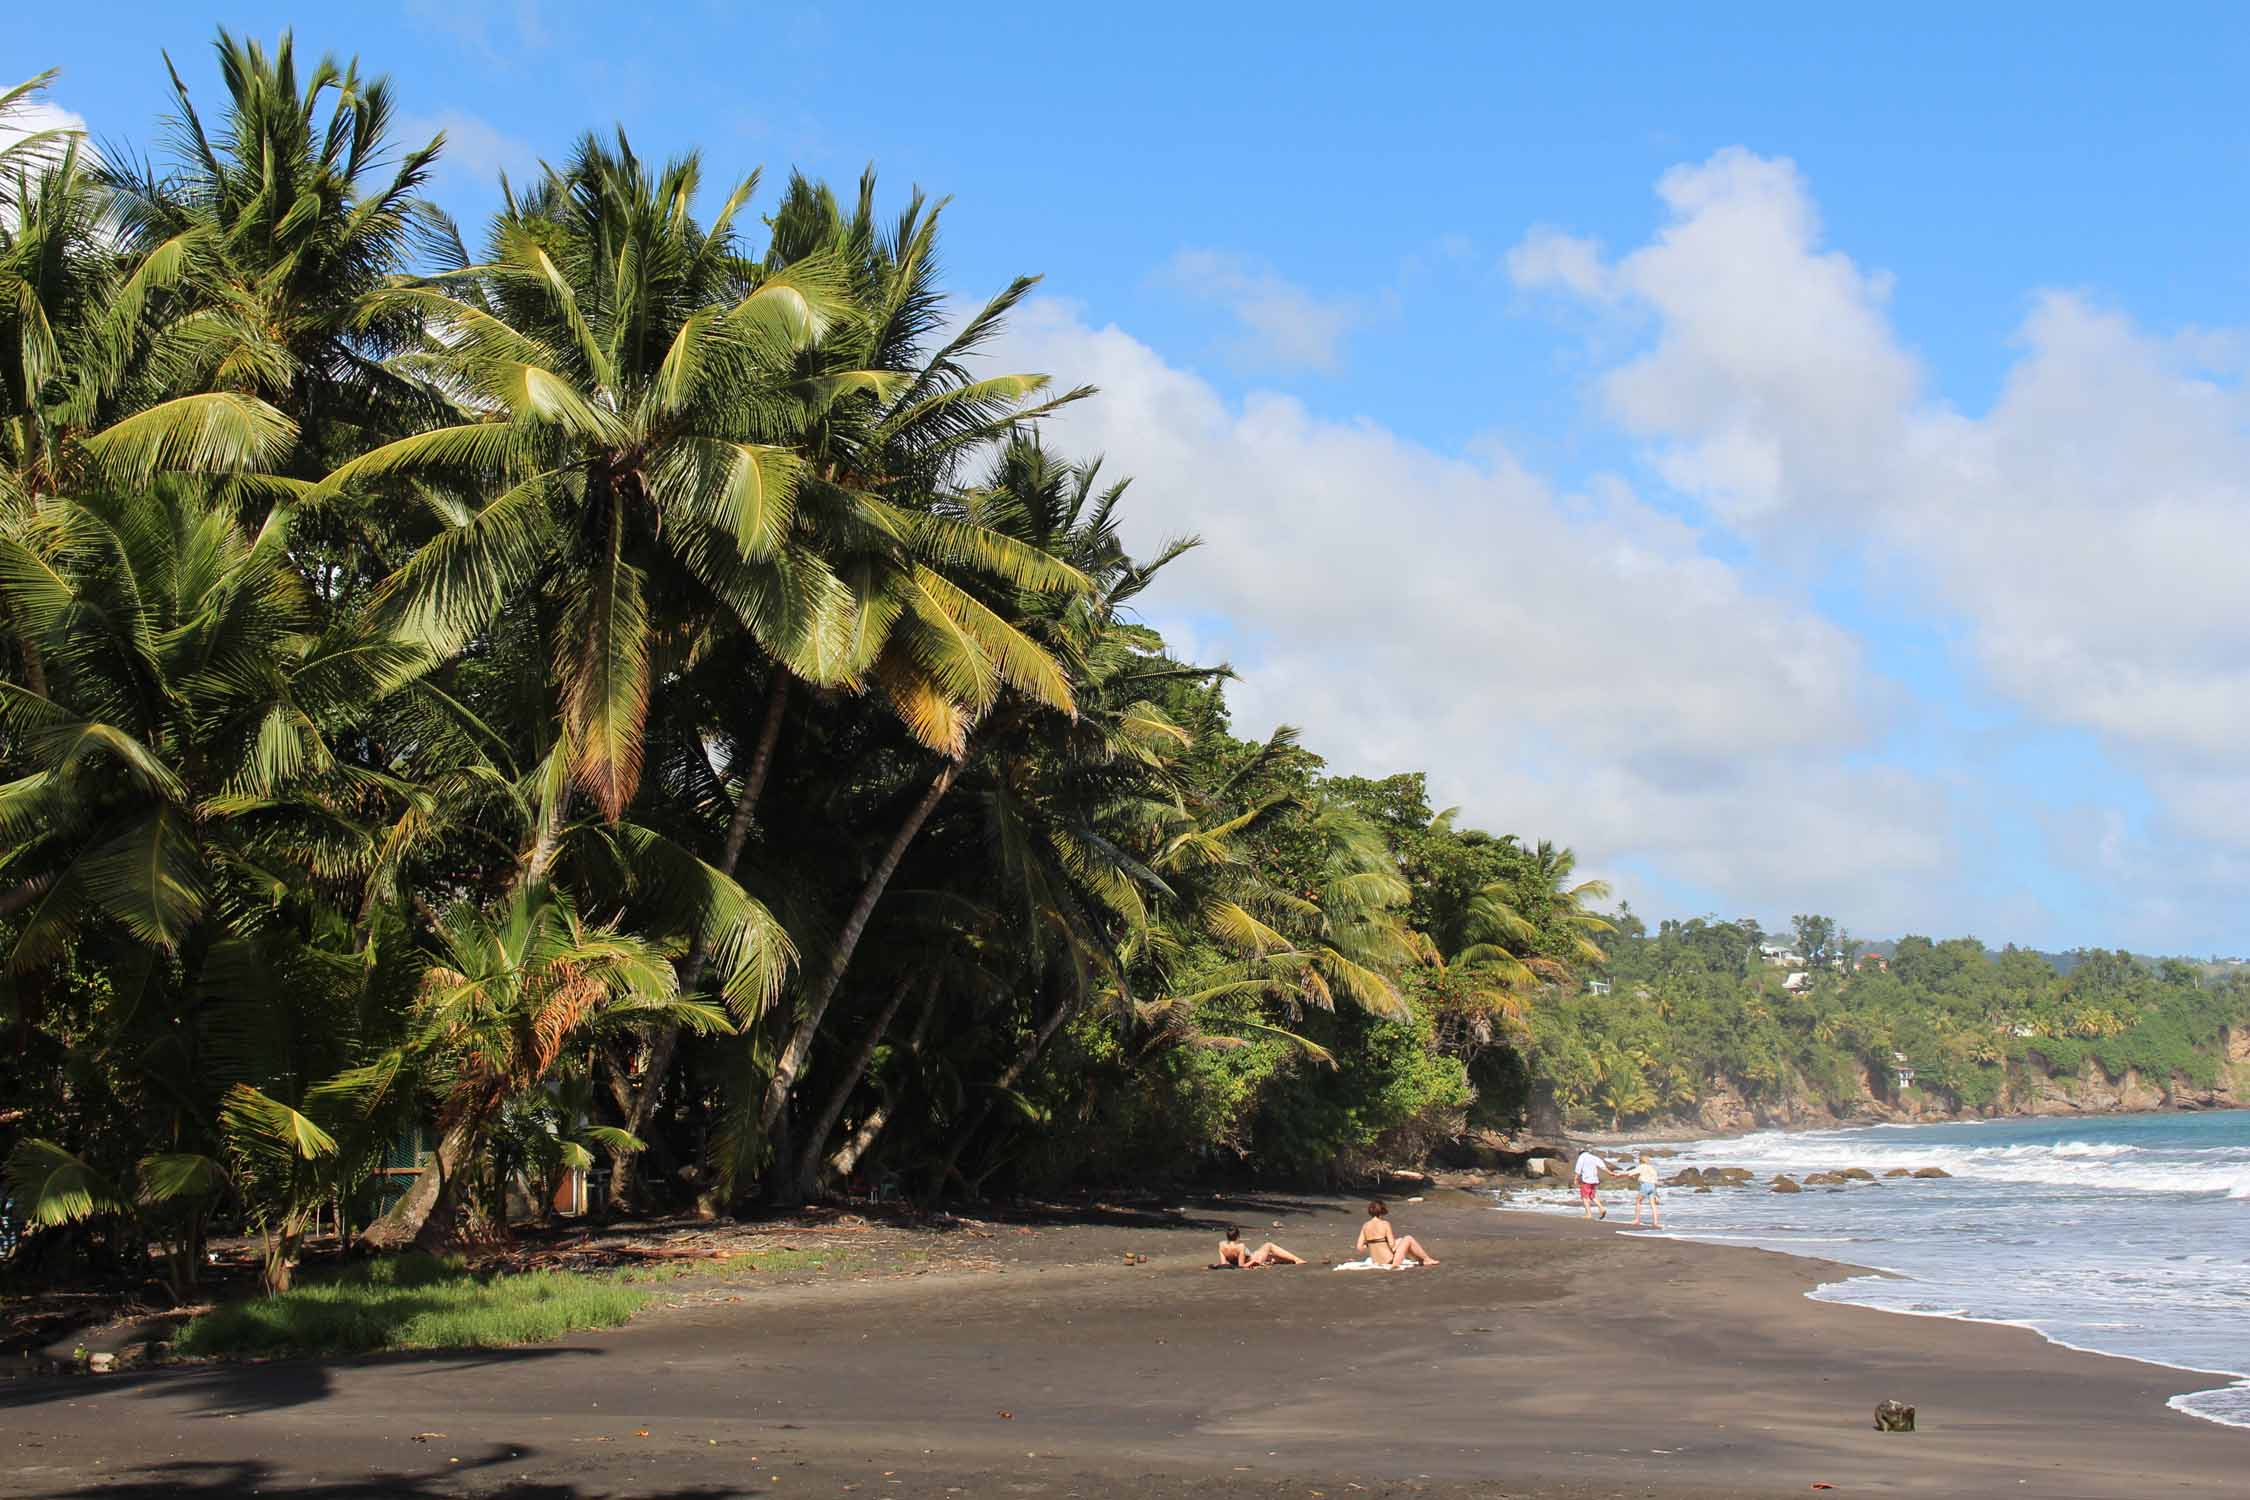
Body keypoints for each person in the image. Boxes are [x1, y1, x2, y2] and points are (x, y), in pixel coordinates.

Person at [1356, 1200, 1439, 1267]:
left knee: (1400, 1240)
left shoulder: (1365, 1225)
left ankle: (1420, 1260)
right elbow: (1392, 1244)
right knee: (1408, 1238)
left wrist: (1371, 1244)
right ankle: (1427, 1259)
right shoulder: (1385, 1224)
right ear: (1382, 1211)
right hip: (1390, 1261)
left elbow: (1359, 1247)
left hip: (1376, 1260)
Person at [1216, 1226, 1305, 1268]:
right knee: (1268, 1245)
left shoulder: (1221, 1245)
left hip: (1252, 1256)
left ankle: (1292, 1261)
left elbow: (1224, 1264)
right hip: (1253, 1259)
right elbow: (1241, 1266)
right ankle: (1296, 1259)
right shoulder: (1240, 1246)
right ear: (1238, 1236)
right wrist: (1254, 1261)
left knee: (1271, 1257)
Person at [1572, 1147, 1613, 1220]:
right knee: (1592, 1196)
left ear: (1580, 1153)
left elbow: (1578, 1168)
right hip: (1594, 1179)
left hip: (1586, 1179)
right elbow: (1602, 1166)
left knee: (1585, 1197)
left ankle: (1589, 1214)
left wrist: (1575, 1179)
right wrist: (1610, 1173)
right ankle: (1602, 1208)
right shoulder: (1593, 1157)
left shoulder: (1582, 1157)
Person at [1629, 1152, 1662, 1228]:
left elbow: (1630, 1173)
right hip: (1652, 1186)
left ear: (1640, 1161)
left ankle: (1637, 1219)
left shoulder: (1642, 1166)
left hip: (1645, 1185)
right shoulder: (1652, 1168)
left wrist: (1619, 1174)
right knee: (1653, 1205)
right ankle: (1655, 1222)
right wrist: (1656, 1194)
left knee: (1638, 1201)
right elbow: (1655, 1181)